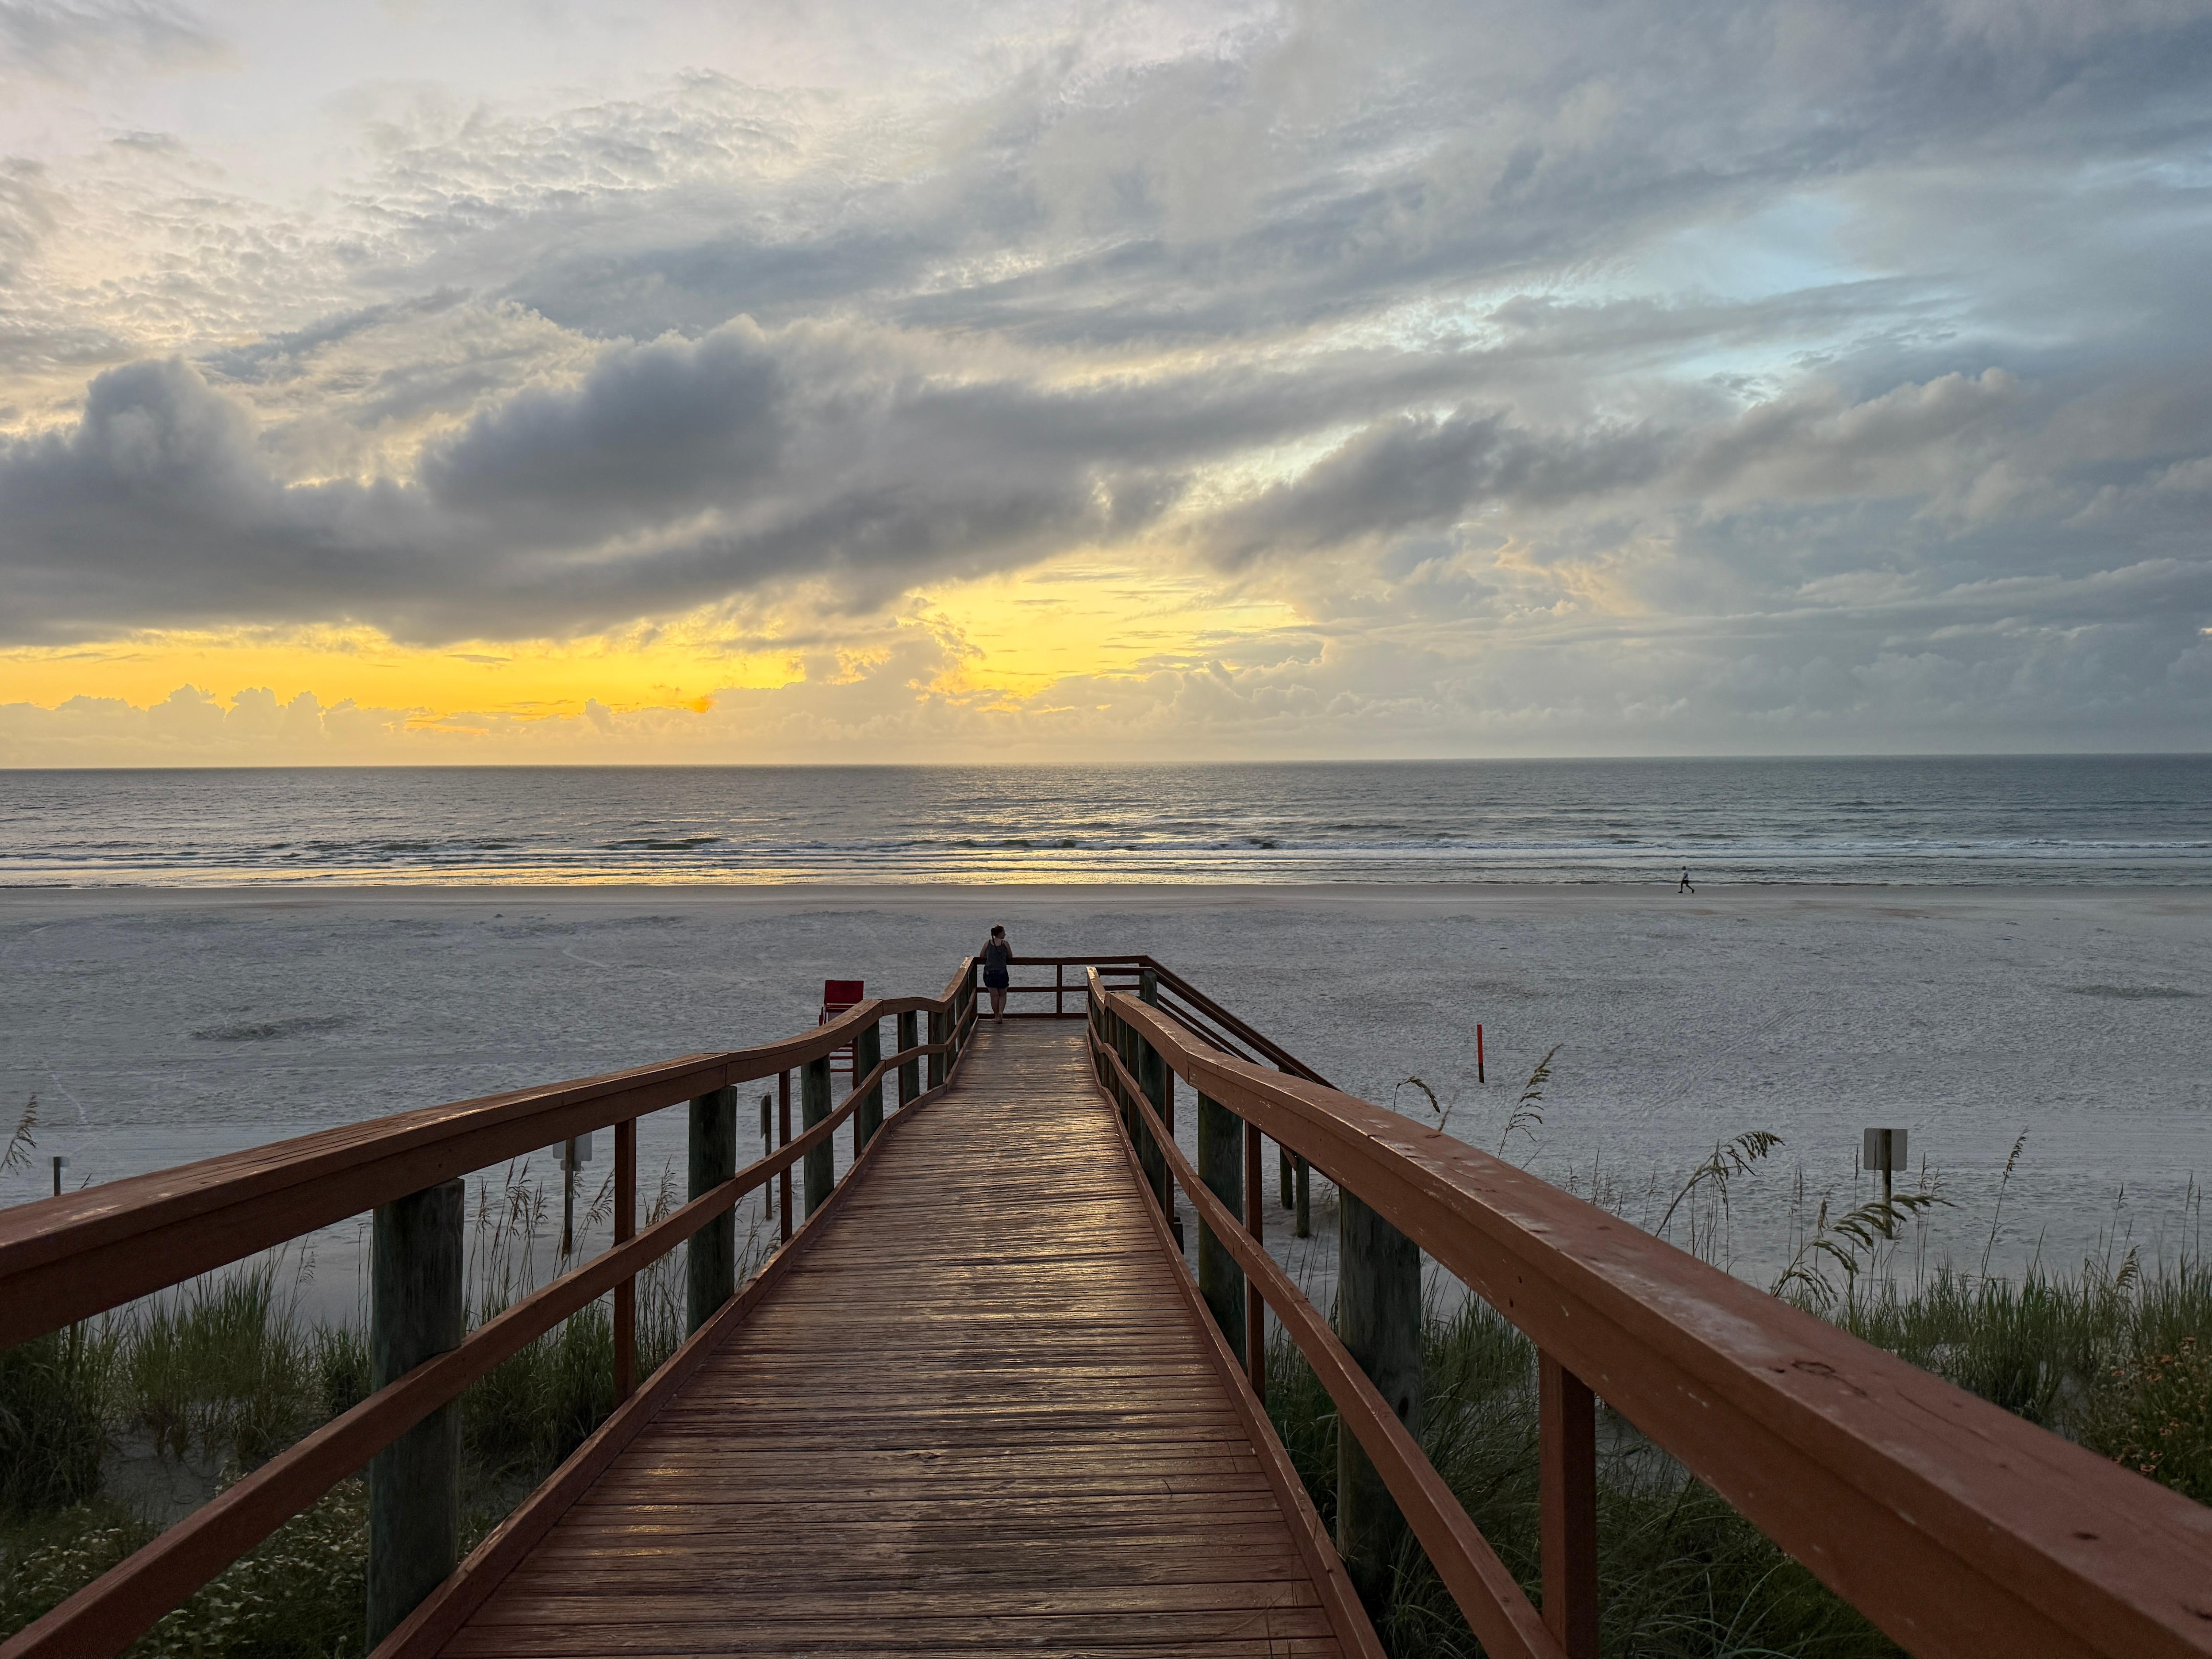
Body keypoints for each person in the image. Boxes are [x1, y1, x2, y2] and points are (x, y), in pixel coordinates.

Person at [980, 925, 1014, 1019]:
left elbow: (982, 955)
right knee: (1003, 994)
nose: (1005, 934)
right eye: (1004, 932)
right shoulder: (1005, 943)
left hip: (989, 972)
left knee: (994, 996)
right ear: (1000, 934)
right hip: (1002, 972)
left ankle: (996, 1016)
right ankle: (1001, 1013)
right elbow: (1010, 956)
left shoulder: (988, 943)